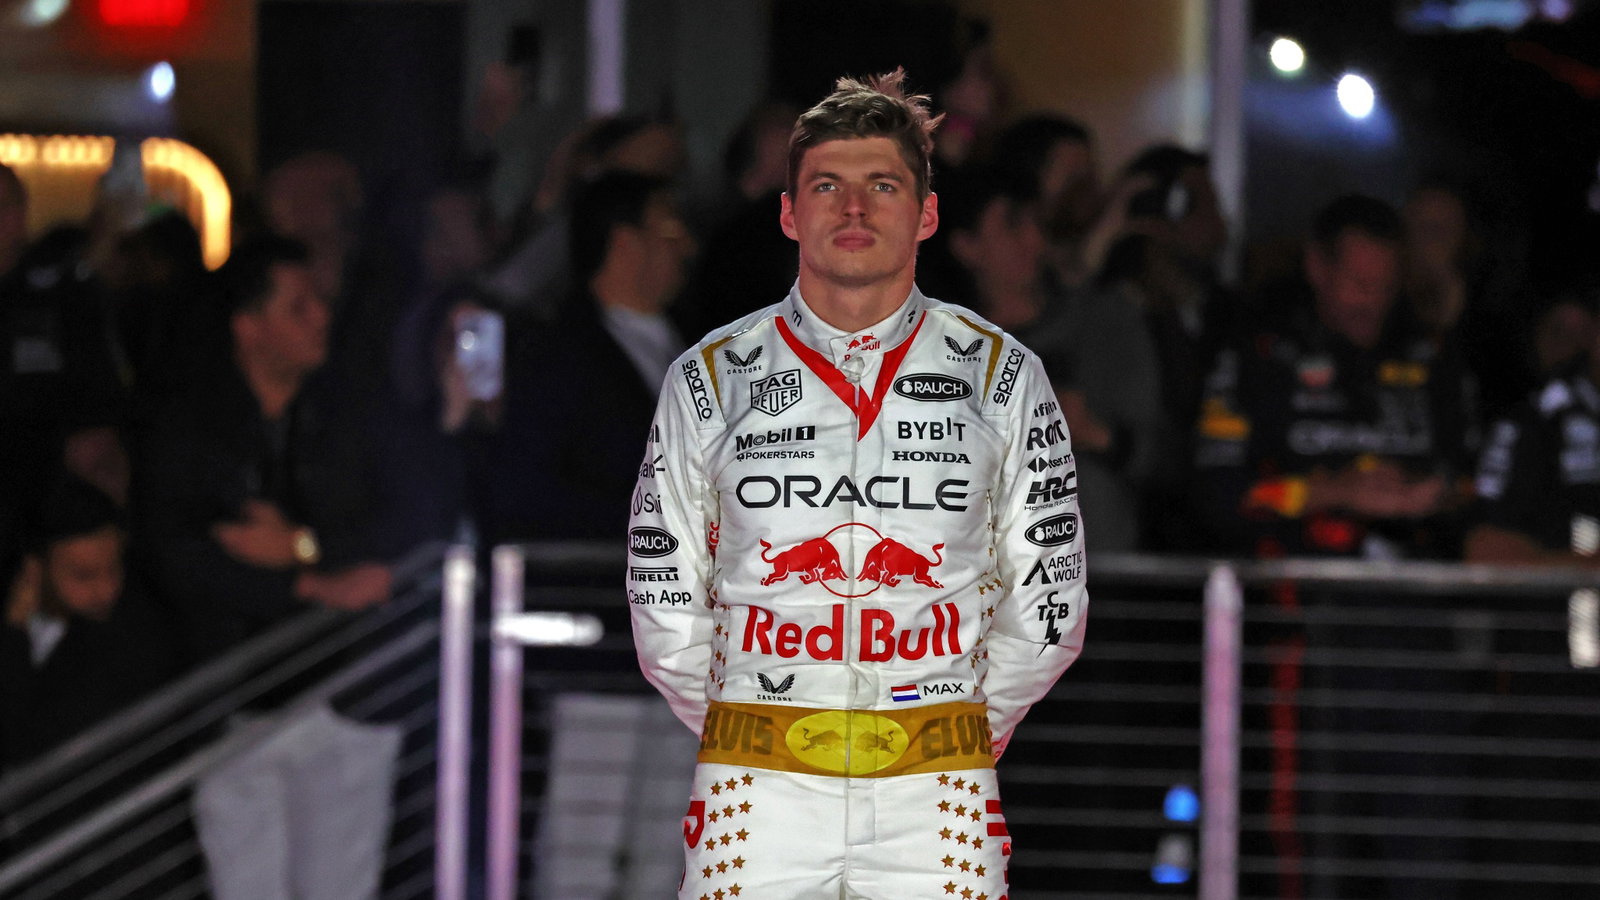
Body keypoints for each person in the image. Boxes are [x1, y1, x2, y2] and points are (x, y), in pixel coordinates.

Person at [628, 69, 1087, 900]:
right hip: (756, 786)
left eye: (882, 185)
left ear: (927, 214)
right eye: (826, 186)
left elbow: (1050, 601)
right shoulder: (709, 377)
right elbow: (663, 598)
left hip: (937, 790)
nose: (853, 210)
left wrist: (953, 728)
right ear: (788, 213)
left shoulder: (1003, 376)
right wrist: (755, 722)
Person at [135, 236, 393, 663]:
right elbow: (175, 553)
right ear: (248, 326)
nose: (322, 316)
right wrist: (305, 585)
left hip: (332, 662)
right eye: (299, 308)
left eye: (320, 301)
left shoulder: (346, 413)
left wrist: (303, 546)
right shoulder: (188, 426)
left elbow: (392, 520)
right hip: (222, 670)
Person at [1, 477, 181, 769]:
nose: (107, 590)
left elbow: (26, 749)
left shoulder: (133, 633)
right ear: (34, 571)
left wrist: (15, 635)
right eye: (84, 575)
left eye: (114, 568)